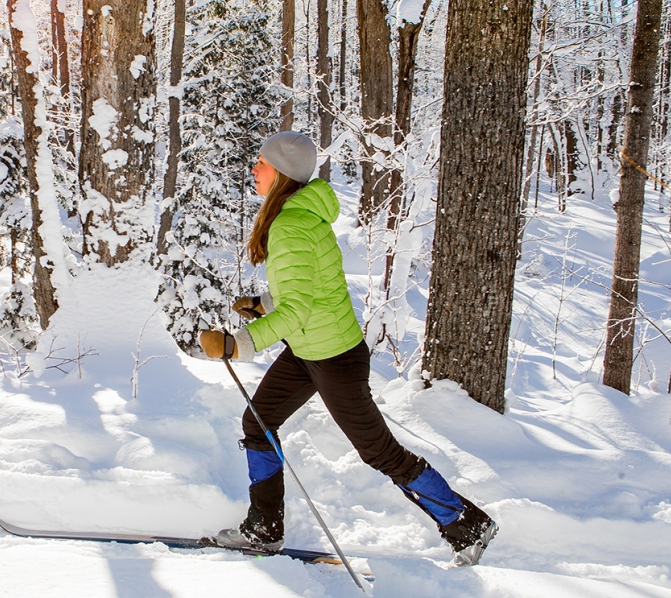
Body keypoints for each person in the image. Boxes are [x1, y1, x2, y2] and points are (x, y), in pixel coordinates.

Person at [197, 131, 499, 567]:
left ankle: (467, 524)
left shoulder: (291, 225)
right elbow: (312, 289)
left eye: (260, 163)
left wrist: (236, 345)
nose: (253, 169)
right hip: (309, 351)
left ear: (280, 172)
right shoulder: (300, 215)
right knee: (258, 422)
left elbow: (298, 308)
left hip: (333, 358)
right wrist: (262, 304)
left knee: (379, 452)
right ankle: (263, 529)